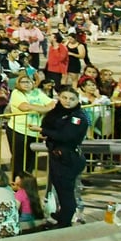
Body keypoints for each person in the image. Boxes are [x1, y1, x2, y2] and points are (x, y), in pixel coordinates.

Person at [36, 86, 88, 227]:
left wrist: (44, 130)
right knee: (58, 187)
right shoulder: (57, 112)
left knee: (66, 192)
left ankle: (65, 220)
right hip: (56, 156)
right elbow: (48, 122)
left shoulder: (78, 116)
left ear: (78, 100)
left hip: (69, 158)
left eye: (72, 99)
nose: (67, 101)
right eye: (64, 97)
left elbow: (66, 136)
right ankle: (62, 214)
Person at [6, 74, 55, 176]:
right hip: (18, 130)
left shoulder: (37, 92)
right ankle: (17, 184)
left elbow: (52, 104)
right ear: (18, 84)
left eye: (28, 81)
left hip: (34, 132)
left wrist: (41, 108)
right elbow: (24, 107)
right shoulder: (16, 93)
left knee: (30, 161)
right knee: (19, 160)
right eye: (23, 82)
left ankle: (27, 184)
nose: (26, 84)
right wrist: (44, 109)